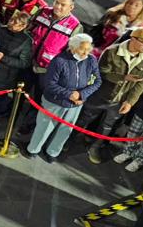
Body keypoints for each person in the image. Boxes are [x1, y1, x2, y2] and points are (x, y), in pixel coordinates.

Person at [83, 27, 143, 164]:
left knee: (107, 127)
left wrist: (130, 102)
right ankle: (69, 139)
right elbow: (101, 72)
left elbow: (142, 83)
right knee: (84, 118)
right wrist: (123, 77)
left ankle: (95, 147)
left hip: (119, 101)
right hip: (100, 96)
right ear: (133, 39)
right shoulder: (112, 51)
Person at [26, 34, 101, 164]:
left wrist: (82, 95)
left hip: (76, 104)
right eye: (82, 49)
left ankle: (53, 152)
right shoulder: (59, 61)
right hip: (54, 102)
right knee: (44, 127)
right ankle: (33, 149)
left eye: (88, 49)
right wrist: (70, 94)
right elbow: (50, 84)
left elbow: (97, 81)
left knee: (65, 130)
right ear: (72, 48)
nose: (86, 53)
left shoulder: (91, 59)